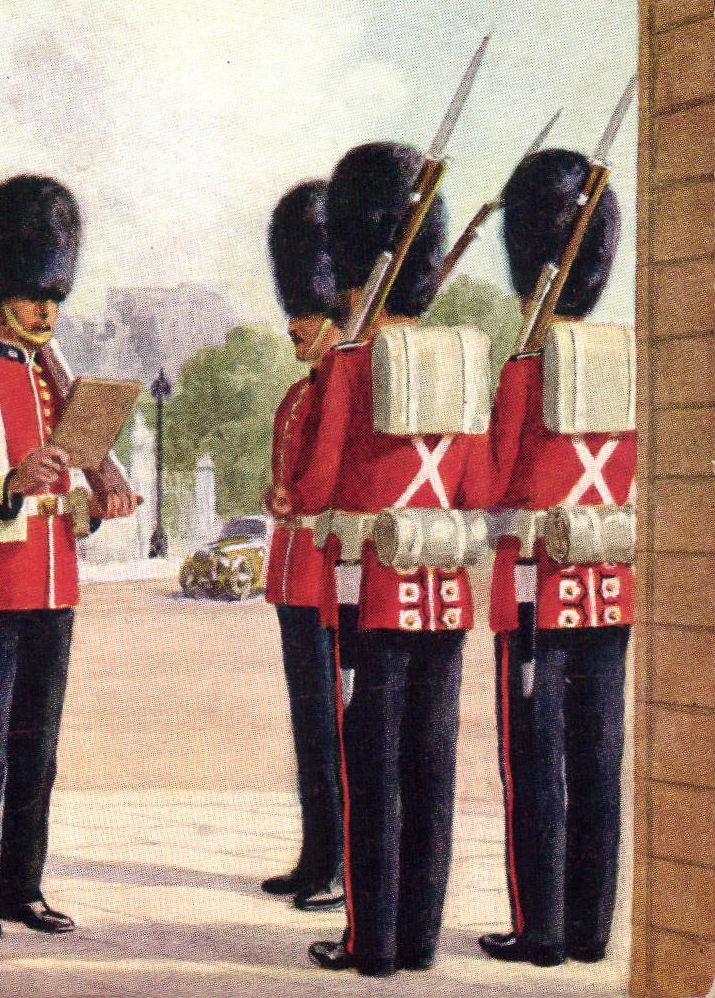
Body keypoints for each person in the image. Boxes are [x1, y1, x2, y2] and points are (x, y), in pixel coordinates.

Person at [0, 175, 136, 939]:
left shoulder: (60, 391)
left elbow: (66, 503)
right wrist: (7, 482)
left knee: (37, 754)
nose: (47, 309)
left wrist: (93, 508)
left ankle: (24, 886)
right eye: (34, 293)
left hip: (53, 589)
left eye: (53, 296)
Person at [293, 143, 488, 977]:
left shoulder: (349, 364)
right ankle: (420, 940)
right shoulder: (466, 358)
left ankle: (370, 943)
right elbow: (476, 482)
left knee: (373, 775)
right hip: (444, 592)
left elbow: (311, 489)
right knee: (432, 774)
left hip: (370, 596)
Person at [476, 148, 631, 968]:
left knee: (536, 767)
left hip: (535, 592)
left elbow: (492, 486)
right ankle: (593, 929)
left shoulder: (525, 370)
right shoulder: (630, 363)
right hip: (609, 590)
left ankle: (541, 930)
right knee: (599, 763)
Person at [260, 181, 345, 912]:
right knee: (308, 729)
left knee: (336, 731)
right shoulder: (299, 395)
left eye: (308, 312)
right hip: (293, 578)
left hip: (332, 578)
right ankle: (315, 854)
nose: (295, 323)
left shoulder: (347, 388)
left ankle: (340, 863)